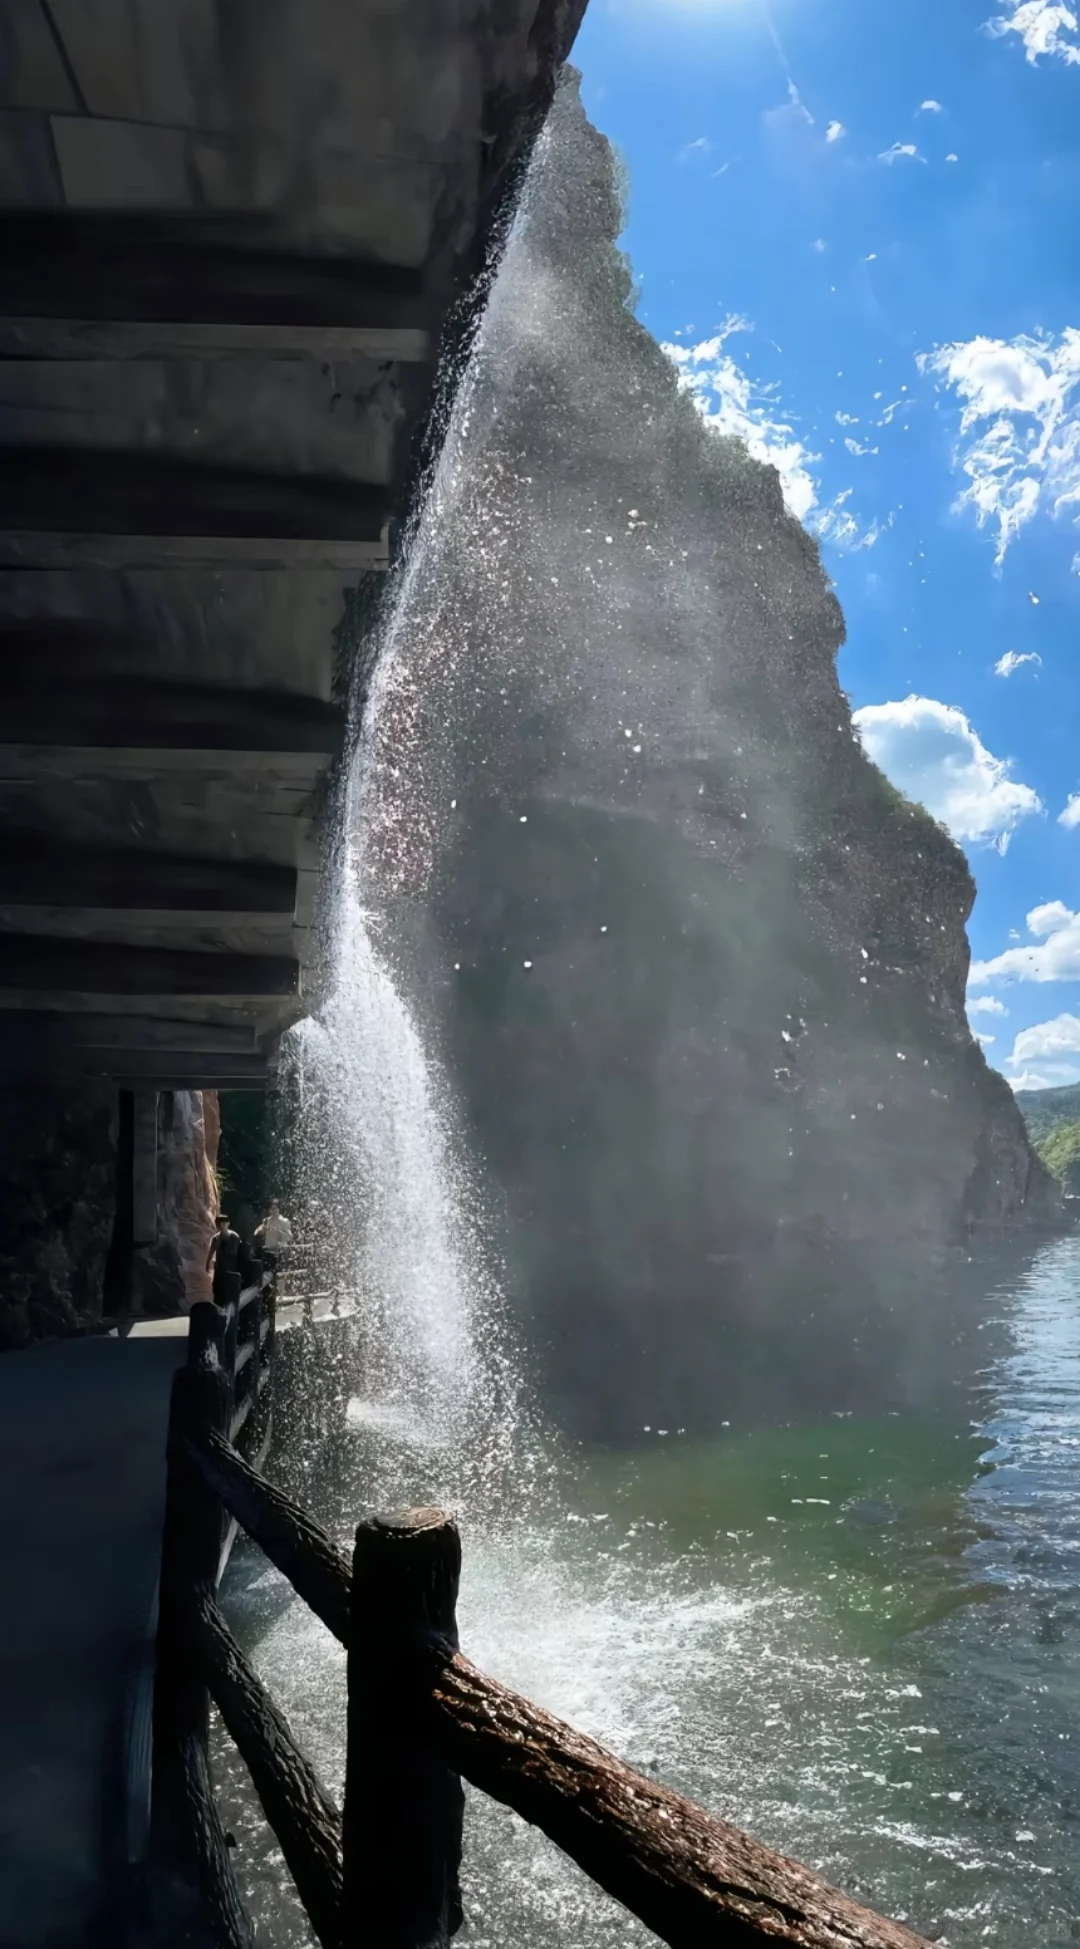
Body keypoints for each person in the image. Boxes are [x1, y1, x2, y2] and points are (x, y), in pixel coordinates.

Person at [206, 1212, 241, 1303]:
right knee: (218, 1293)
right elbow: (210, 1254)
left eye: (224, 1223)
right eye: (219, 1223)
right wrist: (207, 1267)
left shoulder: (234, 1237)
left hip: (232, 1269)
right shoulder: (215, 1238)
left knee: (231, 1293)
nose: (222, 1225)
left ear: (228, 1224)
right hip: (220, 1269)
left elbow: (238, 1253)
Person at [253, 1197, 293, 1271]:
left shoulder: (284, 1221)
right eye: (271, 1209)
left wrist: (278, 1231)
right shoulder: (266, 1220)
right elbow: (256, 1233)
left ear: (278, 1209)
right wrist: (263, 1230)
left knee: (279, 1274)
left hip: (280, 1252)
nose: (274, 1210)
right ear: (269, 1210)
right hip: (268, 1252)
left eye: (275, 1208)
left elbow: (289, 1237)